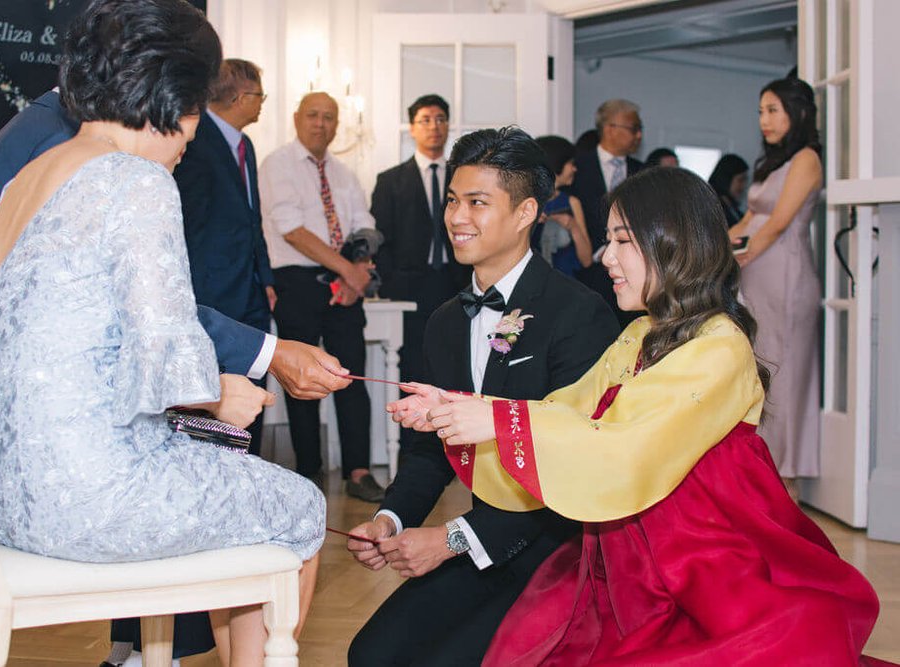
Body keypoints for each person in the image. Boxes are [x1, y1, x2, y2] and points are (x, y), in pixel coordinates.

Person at [388, 166, 883, 665]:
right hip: (628, 556)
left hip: (706, 565)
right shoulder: (639, 334)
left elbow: (626, 446)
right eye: (608, 240)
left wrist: (495, 422)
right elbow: (566, 409)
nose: (606, 258)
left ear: (673, 243)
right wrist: (456, 409)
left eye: (623, 241)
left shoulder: (720, 345)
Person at [0, 2, 324, 665]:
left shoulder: (27, 179)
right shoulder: (135, 179)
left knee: (225, 482)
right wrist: (222, 393)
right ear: (171, 95)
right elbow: (169, 370)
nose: (192, 136)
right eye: (194, 108)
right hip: (87, 499)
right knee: (298, 506)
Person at [347, 127, 619, 666]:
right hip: (484, 542)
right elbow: (430, 448)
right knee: (373, 655)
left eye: (477, 202)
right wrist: (392, 521)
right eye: (452, 200)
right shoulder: (445, 322)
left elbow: (574, 462)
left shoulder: (579, 314)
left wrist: (450, 538)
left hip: (565, 552)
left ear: (524, 213)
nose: (456, 217)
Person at [259, 92, 384, 502]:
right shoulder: (277, 165)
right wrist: (347, 270)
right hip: (296, 283)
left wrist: (356, 271)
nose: (321, 124)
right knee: (303, 379)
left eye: (329, 117)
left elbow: (364, 226)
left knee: (352, 379)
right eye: (313, 115)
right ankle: (308, 472)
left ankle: (359, 471)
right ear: (296, 118)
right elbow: (291, 229)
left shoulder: (345, 173)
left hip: (344, 289)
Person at [173, 58, 275, 454]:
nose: (262, 102)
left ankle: (250, 466)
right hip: (210, 289)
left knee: (255, 385)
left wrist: (265, 278)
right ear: (235, 95)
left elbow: (254, 219)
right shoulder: (195, 142)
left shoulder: (245, 144)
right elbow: (187, 220)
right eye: (257, 94)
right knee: (215, 389)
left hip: (249, 288)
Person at [728, 77, 823, 481]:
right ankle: (763, 465)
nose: (764, 120)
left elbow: (780, 222)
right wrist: (716, 247)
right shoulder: (774, 163)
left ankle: (785, 470)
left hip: (786, 271)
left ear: (797, 113)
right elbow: (750, 219)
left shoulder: (806, 159)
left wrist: (742, 254)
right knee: (762, 365)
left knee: (785, 370)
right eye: (761, 112)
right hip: (758, 272)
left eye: (773, 110)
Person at [371, 94, 471, 446]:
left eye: (441, 119)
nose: (434, 127)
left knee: (453, 364)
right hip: (408, 288)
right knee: (412, 366)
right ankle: (415, 447)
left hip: (455, 283)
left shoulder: (462, 180)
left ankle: (456, 441)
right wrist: (390, 280)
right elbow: (380, 239)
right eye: (426, 119)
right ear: (412, 127)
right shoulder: (391, 181)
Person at [571, 98, 644, 326]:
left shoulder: (642, 172)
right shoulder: (577, 167)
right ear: (610, 129)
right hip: (583, 273)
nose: (639, 135)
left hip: (630, 274)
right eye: (634, 128)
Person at [532, 135, 593, 277]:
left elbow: (587, 261)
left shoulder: (572, 202)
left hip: (567, 284)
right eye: (571, 163)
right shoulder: (526, 203)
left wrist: (573, 226)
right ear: (555, 164)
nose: (574, 169)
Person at [708, 153, 750, 228]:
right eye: (740, 180)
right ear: (726, 179)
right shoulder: (710, 206)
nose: (743, 186)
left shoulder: (731, 205)